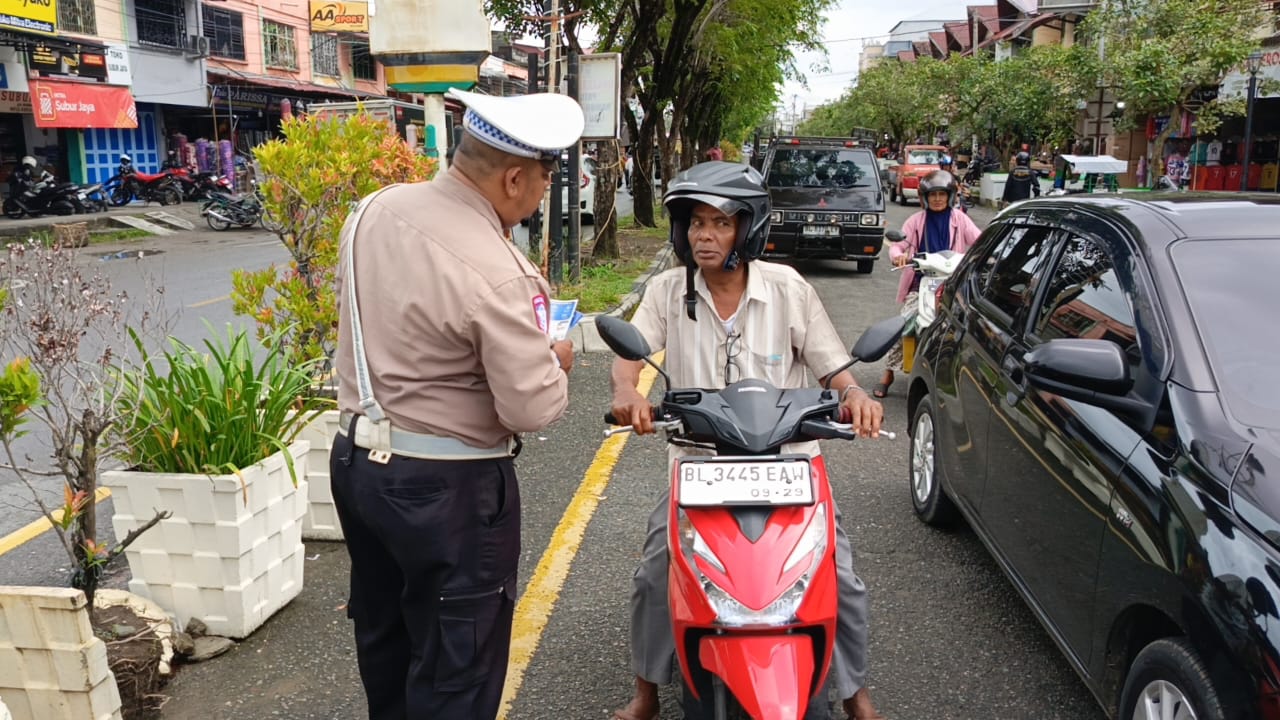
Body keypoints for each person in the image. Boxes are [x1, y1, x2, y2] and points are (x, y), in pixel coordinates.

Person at [329, 87, 584, 720]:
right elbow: (533, 409)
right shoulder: (500, 271)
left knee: (387, 641)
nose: (543, 194)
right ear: (516, 177)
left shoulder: (372, 212)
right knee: (456, 671)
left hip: (357, 462)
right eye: (545, 180)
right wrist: (557, 360)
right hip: (448, 490)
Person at [610, 160, 887, 720]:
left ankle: (853, 691)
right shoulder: (669, 289)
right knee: (656, 571)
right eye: (695, 223)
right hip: (700, 461)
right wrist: (629, 394)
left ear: (749, 229)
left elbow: (831, 364)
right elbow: (629, 352)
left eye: (719, 223)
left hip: (788, 459)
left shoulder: (787, 287)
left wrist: (855, 394)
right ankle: (646, 690)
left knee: (841, 575)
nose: (703, 236)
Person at [875, 171, 982, 398]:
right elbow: (898, 245)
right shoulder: (915, 221)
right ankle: (888, 374)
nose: (937, 199)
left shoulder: (960, 219)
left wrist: (987, 256)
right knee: (905, 324)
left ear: (950, 196)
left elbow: (979, 241)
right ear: (924, 197)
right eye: (932, 195)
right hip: (920, 282)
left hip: (953, 285)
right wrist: (897, 256)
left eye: (942, 194)